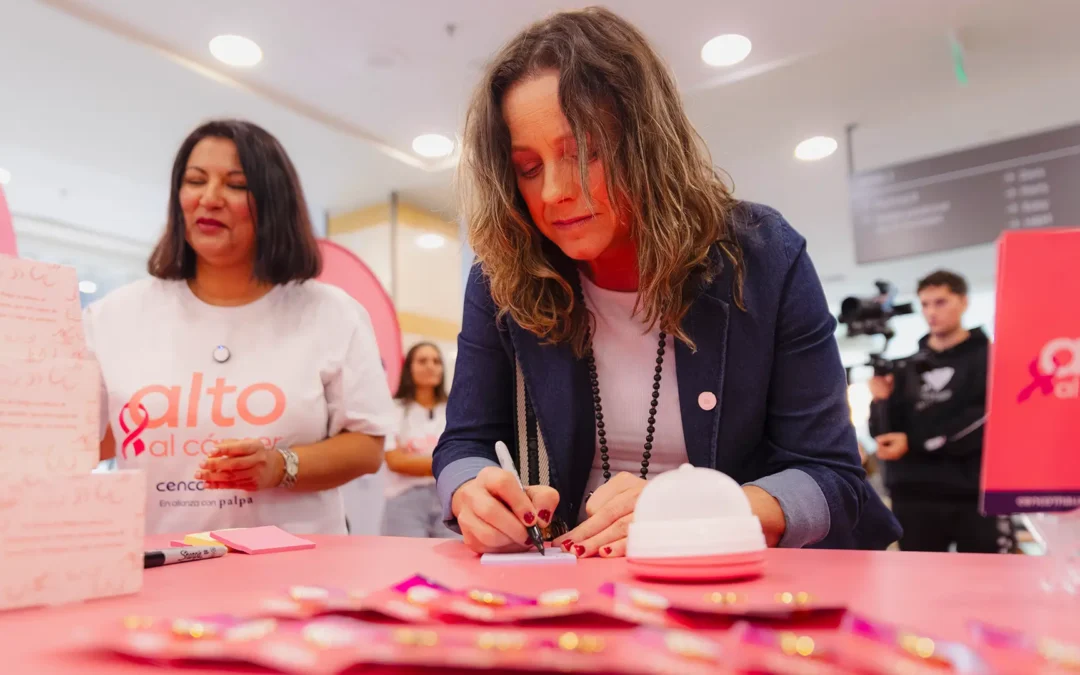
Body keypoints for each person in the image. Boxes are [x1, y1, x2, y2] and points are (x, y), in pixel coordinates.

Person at [432, 7, 900, 557]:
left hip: (732, 591)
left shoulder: (764, 256)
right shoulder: (502, 277)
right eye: (528, 167)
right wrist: (469, 490)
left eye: (584, 152)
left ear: (646, 142)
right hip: (564, 586)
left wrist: (701, 509)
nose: (554, 191)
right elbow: (464, 442)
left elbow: (832, 479)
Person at [85, 119, 396, 535]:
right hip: (162, 564)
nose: (209, 199)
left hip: (297, 572)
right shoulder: (114, 316)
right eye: (195, 181)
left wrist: (280, 466)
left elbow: (366, 447)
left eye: (236, 184)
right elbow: (80, 442)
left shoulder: (332, 313)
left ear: (273, 202)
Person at [870, 270, 1014, 553]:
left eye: (940, 302)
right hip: (913, 496)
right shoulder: (906, 366)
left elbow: (985, 420)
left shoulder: (992, 359)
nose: (931, 312)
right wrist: (880, 401)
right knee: (920, 590)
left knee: (990, 588)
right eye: (925, 304)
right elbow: (884, 434)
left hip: (974, 495)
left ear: (963, 302)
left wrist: (915, 443)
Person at [380, 342, 458, 538]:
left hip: (450, 500)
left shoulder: (456, 410)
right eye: (422, 361)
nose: (430, 366)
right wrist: (444, 461)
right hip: (404, 501)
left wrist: (414, 461)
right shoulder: (393, 409)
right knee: (406, 564)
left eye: (436, 361)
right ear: (409, 368)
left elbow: (463, 457)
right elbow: (395, 461)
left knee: (453, 565)